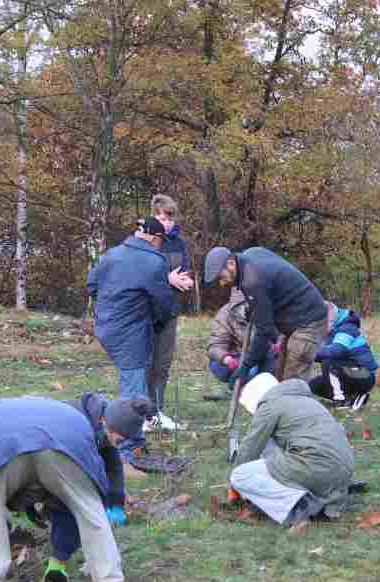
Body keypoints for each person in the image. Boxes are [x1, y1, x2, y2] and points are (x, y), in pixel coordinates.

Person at [0, 396, 142, 582]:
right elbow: (92, 483)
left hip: (1, 440)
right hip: (63, 442)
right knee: (88, 509)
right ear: (103, 421)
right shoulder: (81, 420)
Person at [87, 216, 178, 458]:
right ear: (153, 237)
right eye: (161, 240)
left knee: (132, 377)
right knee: (133, 390)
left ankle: (148, 422)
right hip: (129, 331)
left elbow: (92, 285)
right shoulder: (154, 262)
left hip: (106, 326)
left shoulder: (111, 254)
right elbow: (164, 303)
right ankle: (129, 451)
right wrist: (157, 321)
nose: (161, 245)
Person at [228, 373, 356, 526]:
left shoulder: (270, 405)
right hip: (343, 470)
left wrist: (234, 486)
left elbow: (249, 450)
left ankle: (300, 507)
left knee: (239, 476)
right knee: (272, 446)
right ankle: (326, 502)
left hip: (314, 466)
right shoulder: (306, 401)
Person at [202, 245, 327, 382]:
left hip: (308, 322)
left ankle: (297, 402)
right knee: (279, 377)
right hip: (293, 321)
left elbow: (264, 331)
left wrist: (245, 366)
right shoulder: (250, 255)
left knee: (292, 382)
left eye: (221, 276)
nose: (222, 283)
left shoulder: (253, 280)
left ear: (231, 264)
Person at [145, 195, 193, 430]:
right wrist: (168, 278)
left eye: (169, 217)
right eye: (160, 217)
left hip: (170, 310)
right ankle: (141, 413)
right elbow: (138, 273)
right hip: (145, 311)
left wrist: (185, 281)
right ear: (153, 216)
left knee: (162, 364)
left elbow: (184, 270)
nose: (165, 222)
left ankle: (157, 411)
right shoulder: (143, 239)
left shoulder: (179, 243)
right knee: (144, 362)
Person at [307, 302, 378, 411]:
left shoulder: (347, 327)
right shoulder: (331, 330)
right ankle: (354, 397)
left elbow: (337, 351)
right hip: (347, 371)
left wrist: (309, 353)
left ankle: (341, 401)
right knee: (312, 386)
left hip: (364, 375)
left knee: (329, 362)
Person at [207, 287, 275, 388]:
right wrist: (228, 359)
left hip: (259, 358)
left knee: (259, 369)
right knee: (247, 371)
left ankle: (256, 391)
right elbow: (215, 346)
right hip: (235, 357)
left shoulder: (268, 310)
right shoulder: (225, 315)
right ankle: (236, 388)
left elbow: (277, 336)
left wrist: (275, 346)